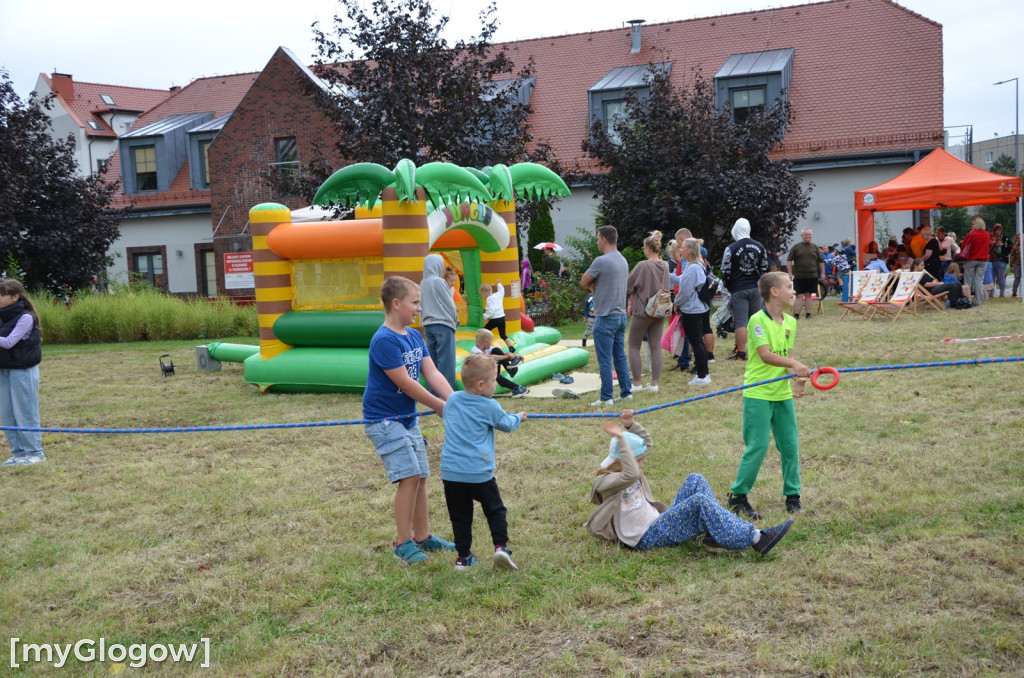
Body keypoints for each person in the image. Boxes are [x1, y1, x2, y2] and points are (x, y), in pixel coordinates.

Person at [584, 410, 794, 556]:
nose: (641, 466)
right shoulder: (605, 482)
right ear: (622, 459)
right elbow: (629, 475)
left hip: (658, 521)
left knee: (696, 479)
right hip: (644, 537)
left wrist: (630, 425)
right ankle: (757, 539)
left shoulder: (629, 466)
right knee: (699, 501)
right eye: (638, 461)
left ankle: (715, 533)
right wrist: (622, 439)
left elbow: (647, 443)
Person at [363, 276, 456, 565]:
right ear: (395, 303)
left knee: (421, 477)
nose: (418, 309)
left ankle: (423, 537)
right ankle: (403, 542)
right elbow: (406, 383)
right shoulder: (383, 341)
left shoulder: (415, 336)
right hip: (385, 420)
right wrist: (439, 406)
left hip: (407, 418)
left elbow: (433, 374)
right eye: (414, 303)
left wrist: (454, 401)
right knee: (409, 477)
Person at [727, 272, 813, 520]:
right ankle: (738, 496)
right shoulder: (756, 321)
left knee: (790, 445)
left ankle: (793, 497)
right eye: (789, 286)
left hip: (781, 393)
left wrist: (797, 378)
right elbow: (765, 354)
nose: (793, 291)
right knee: (758, 446)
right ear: (774, 291)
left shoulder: (790, 323)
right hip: (758, 393)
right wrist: (795, 363)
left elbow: (787, 357)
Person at [441, 353, 525, 571]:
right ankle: (501, 547)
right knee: (495, 510)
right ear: (480, 385)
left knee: (460, 517)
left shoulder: (452, 400)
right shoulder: (490, 406)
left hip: (451, 473)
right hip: (479, 472)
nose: (496, 384)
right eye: (494, 380)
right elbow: (506, 424)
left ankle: (463, 558)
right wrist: (519, 417)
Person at [581, 225, 632, 407]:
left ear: (603, 239)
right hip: (621, 316)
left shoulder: (601, 261)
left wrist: (593, 286)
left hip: (605, 316)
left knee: (604, 359)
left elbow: (583, 281)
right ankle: (626, 392)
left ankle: (606, 397)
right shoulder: (622, 260)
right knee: (619, 356)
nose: (597, 242)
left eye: (597, 239)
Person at [0, 280, 44, 467]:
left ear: (15, 296)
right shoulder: (2, 315)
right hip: (4, 370)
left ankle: (34, 453)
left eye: (3, 294)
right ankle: (18, 453)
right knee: (8, 414)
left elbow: (9, 342)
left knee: (25, 412)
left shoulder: (26, 317)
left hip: (22, 372)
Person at [626, 230, 670, 393]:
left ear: (648, 248)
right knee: (655, 346)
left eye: (644, 247)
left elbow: (628, 286)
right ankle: (654, 383)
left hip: (643, 310)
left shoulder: (642, 266)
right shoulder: (665, 265)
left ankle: (637, 383)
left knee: (634, 345)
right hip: (659, 310)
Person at [721, 218, 768, 361]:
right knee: (756, 321)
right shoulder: (759, 246)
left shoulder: (731, 248)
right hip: (756, 288)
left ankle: (741, 352)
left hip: (738, 288)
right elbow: (764, 267)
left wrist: (728, 285)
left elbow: (725, 269)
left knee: (741, 322)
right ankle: (759, 350)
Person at [674, 238, 711, 386]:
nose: (680, 250)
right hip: (698, 309)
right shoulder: (695, 265)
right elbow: (681, 280)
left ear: (689, 250)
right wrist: (663, 273)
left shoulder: (693, 268)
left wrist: (676, 303)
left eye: (682, 247)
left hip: (692, 311)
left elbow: (685, 291)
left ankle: (702, 375)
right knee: (698, 342)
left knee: (696, 342)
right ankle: (704, 373)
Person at [420, 255, 459, 390]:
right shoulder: (439, 281)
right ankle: (447, 391)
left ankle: (433, 391)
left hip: (428, 325)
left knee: (432, 361)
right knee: (446, 361)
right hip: (443, 324)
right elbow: (449, 304)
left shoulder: (422, 283)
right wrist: (455, 318)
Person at [471, 328, 527, 398]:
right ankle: (516, 387)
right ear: (485, 342)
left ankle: (510, 370)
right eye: (490, 341)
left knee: (496, 350)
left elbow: (502, 354)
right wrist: (506, 357)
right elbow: (489, 357)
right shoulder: (475, 351)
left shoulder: (488, 348)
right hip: (480, 375)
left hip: (488, 371)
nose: (491, 342)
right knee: (492, 373)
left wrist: (516, 356)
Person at [786, 228, 825, 319]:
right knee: (799, 295)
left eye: (809, 235)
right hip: (799, 276)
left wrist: (823, 273)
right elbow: (789, 260)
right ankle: (796, 315)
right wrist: (790, 273)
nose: (808, 236)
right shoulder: (796, 247)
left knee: (809, 295)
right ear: (802, 236)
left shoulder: (815, 247)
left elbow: (821, 261)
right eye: (806, 234)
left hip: (812, 276)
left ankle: (808, 314)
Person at [959, 217, 991, 306]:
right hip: (983, 260)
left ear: (977, 224)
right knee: (979, 281)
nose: (971, 225)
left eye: (972, 224)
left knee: (968, 281)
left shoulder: (971, 234)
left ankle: (968, 300)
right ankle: (979, 301)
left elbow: (963, 245)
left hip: (972, 259)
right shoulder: (987, 234)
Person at [480, 279, 515, 352]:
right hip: (502, 318)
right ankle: (511, 347)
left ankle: (482, 347)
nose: (482, 296)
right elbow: (502, 290)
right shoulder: (498, 294)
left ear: (485, 293)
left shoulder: (489, 299)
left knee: (483, 332)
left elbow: (491, 310)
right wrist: (499, 284)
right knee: (503, 335)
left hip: (495, 319)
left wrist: (485, 317)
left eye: (482, 294)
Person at [989, 223, 1011, 298]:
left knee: (1000, 277)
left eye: (999, 230)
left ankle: (1002, 294)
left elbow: (1010, 248)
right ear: (993, 230)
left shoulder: (1005, 239)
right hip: (990, 260)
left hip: (1001, 260)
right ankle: (991, 294)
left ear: (1001, 231)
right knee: (991, 278)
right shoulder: (989, 238)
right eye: (996, 230)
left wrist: (1002, 246)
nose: (997, 232)